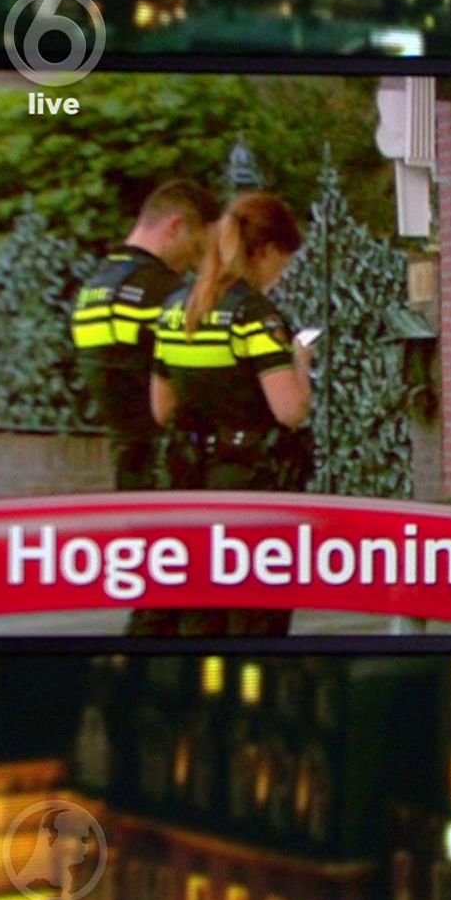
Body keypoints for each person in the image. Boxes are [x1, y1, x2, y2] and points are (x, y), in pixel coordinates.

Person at [131, 191, 311, 637]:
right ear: (266, 251)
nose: (280, 274)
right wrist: (300, 361)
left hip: (189, 481)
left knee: (201, 609)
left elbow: (162, 409)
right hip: (251, 485)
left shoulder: (175, 311)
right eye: (283, 262)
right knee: (255, 614)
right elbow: (290, 411)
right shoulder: (254, 315)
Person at [69, 179, 219, 490]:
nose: (195, 263)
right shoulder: (165, 292)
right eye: (197, 248)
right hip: (173, 466)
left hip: (126, 465)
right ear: (175, 226)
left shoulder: (93, 288)